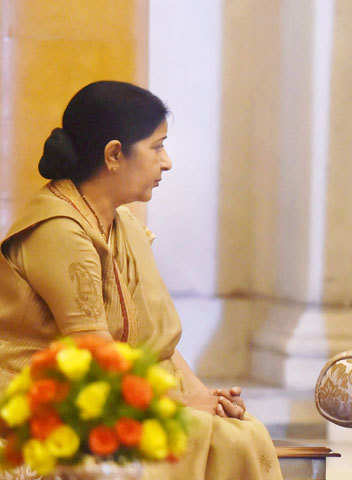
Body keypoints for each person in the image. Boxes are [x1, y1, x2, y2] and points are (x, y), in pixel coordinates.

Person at [0, 81, 282, 480]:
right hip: (47, 403)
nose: (166, 162)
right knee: (201, 433)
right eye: (157, 146)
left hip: (110, 394)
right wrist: (174, 404)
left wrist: (201, 395)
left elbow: (153, 341)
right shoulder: (59, 228)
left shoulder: (121, 223)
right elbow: (93, 354)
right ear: (114, 154)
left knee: (241, 432)